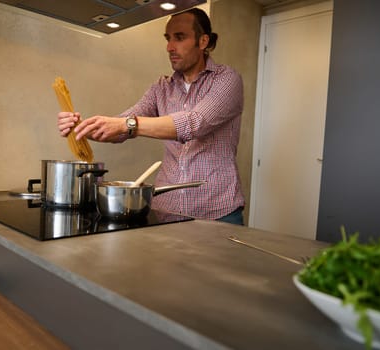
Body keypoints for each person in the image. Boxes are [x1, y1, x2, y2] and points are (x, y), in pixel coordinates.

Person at [57, 8, 245, 225]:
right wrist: (81, 127)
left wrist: (125, 124)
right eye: (167, 38)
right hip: (165, 211)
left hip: (217, 213)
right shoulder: (161, 87)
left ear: (203, 41)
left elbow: (194, 123)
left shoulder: (227, 80)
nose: (169, 47)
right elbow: (122, 127)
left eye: (179, 37)